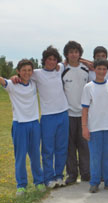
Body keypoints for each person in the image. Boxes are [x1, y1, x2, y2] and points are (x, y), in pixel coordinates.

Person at [0, 59, 45, 196]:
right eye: (24, 70)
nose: (27, 73)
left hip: (34, 124)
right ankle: (21, 186)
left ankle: (39, 182)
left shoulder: (34, 83)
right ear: (18, 71)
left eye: (29, 70)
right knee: (20, 157)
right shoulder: (12, 85)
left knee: (36, 156)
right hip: (19, 125)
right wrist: (13, 78)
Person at [32, 46, 69, 188]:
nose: (52, 62)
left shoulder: (59, 68)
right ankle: (48, 178)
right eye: (49, 59)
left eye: (54, 59)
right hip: (48, 116)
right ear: (44, 60)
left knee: (62, 147)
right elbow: (23, 73)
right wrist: (14, 78)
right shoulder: (37, 73)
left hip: (63, 113)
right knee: (48, 149)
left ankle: (59, 175)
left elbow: (71, 59)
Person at [81, 59, 108, 193]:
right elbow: (85, 109)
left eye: (104, 69)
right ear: (94, 70)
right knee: (95, 156)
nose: (102, 72)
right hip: (95, 127)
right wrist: (84, 127)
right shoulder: (89, 87)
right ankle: (95, 182)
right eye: (99, 69)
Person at [62, 41, 90, 185]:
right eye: (71, 52)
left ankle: (86, 174)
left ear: (80, 54)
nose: (74, 54)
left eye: (76, 51)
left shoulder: (86, 69)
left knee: (84, 146)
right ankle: (72, 174)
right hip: (68, 114)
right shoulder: (63, 70)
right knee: (69, 146)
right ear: (67, 54)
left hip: (84, 114)